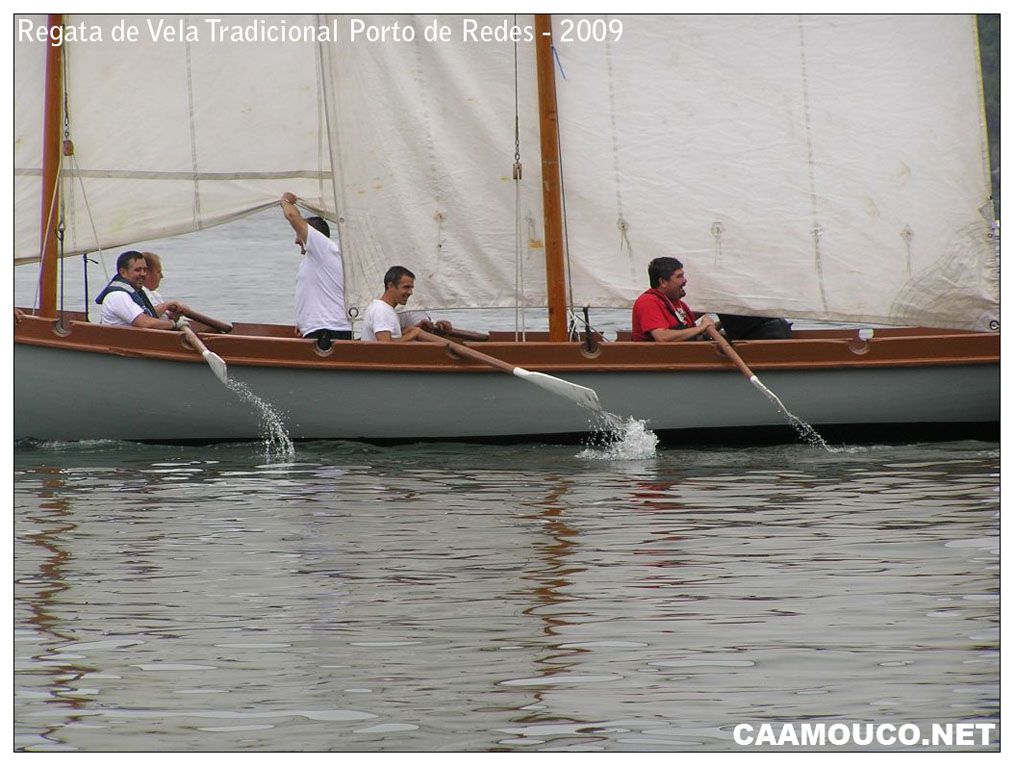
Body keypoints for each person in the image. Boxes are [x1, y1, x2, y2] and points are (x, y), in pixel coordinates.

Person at [280, 191, 351, 349]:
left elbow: (292, 215)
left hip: (328, 330)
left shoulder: (324, 248)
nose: (296, 240)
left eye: (299, 234)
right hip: (320, 329)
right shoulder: (315, 258)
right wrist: (303, 321)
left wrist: (285, 201)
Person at [95, 251, 187, 329]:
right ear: (123, 272)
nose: (143, 274)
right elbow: (145, 323)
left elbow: (150, 316)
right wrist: (173, 324)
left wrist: (173, 316)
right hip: (122, 343)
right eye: (138, 270)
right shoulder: (118, 296)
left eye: (144, 270)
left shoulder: (135, 292)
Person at [631, 256, 716, 341]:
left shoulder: (680, 304)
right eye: (679, 276)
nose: (685, 281)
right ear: (663, 282)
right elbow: (662, 337)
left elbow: (691, 337)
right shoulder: (648, 302)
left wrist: (713, 322)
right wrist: (701, 328)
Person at [361, 266, 425, 342]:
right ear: (390, 285)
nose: (410, 292)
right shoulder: (382, 310)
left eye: (411, 288)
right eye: (406, 287)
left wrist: (411, 330)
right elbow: (385, 344)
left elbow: (390, 337)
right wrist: (414, 333)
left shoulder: (382, 308)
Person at [142, 252, 191, 319]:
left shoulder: (155, 295)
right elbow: (146, 316)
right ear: (146, 273)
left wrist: (177, 312)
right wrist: (167, 305)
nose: (162, 276)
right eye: (158, 272)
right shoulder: (138, 293)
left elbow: (164, 317)